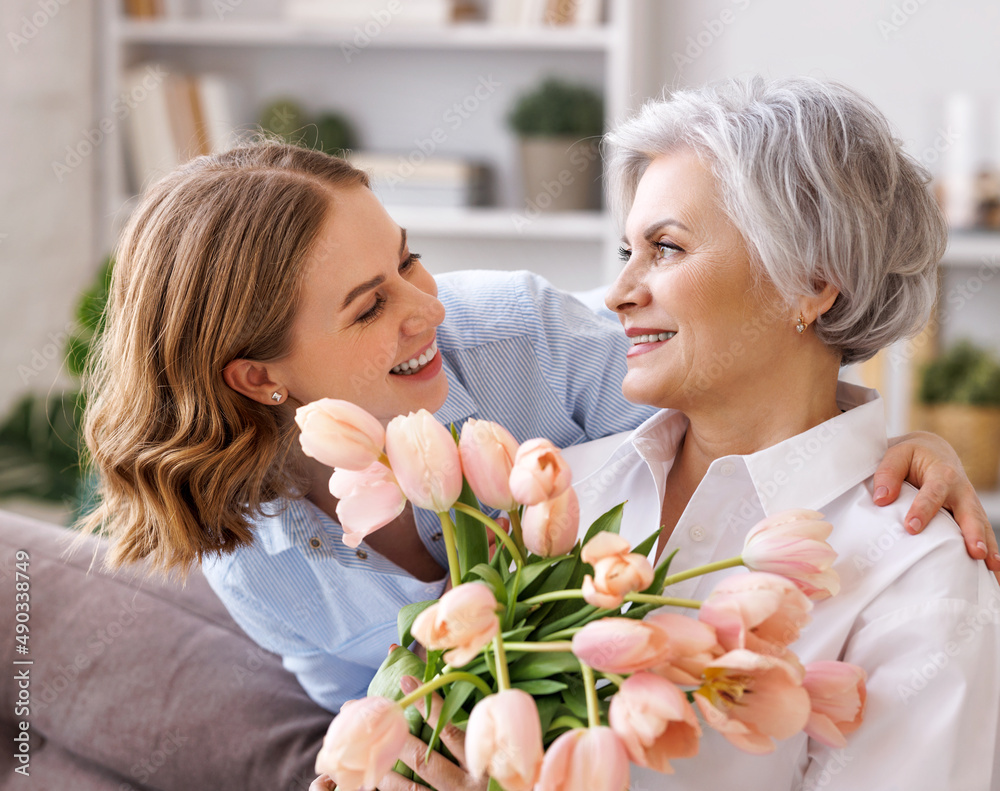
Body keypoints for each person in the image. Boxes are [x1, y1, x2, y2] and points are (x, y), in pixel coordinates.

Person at [82, 139, 994, 790]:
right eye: (369, 307)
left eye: (412, 262)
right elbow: (368, 705)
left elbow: (743, 401)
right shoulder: (243, 547)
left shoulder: (531, 345)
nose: (425, 311)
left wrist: (896, 446)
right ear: (259, 378)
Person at [556, 76, 1000, 789]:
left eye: (665, 248)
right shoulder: (559, 490)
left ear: (811, 284)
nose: (618, 292)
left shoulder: (919, 573)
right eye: (625, 252)